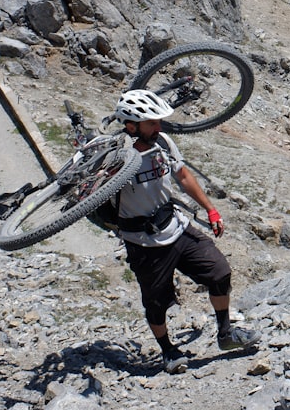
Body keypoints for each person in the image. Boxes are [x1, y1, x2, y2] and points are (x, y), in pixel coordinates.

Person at [110, 88, 259, 374]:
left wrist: (210, 209)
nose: (159, 127)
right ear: (131, 126)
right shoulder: (117, 155)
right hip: (143, 242)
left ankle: (226, 334)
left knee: (219, 272)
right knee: (156, 303)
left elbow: (182, 175)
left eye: (158, 121)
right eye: (152, 123)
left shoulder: (163, 142)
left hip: (176, 226)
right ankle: (167, 351)